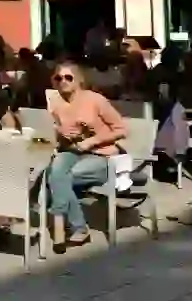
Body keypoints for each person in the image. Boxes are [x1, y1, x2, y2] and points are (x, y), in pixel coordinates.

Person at [47, 61, 127, 250]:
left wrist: (91, 141)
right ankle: (77, 227)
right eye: (59, 78)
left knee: (60, 178)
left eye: (68, 77)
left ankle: (65, 224)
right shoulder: (55, 102)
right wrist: (60, 133)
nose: (63, 82)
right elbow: (56, 131)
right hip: (70, 150)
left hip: (101, 154)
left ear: (79, 80)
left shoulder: (95, 100)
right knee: (56, 172)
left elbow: (121, 129)